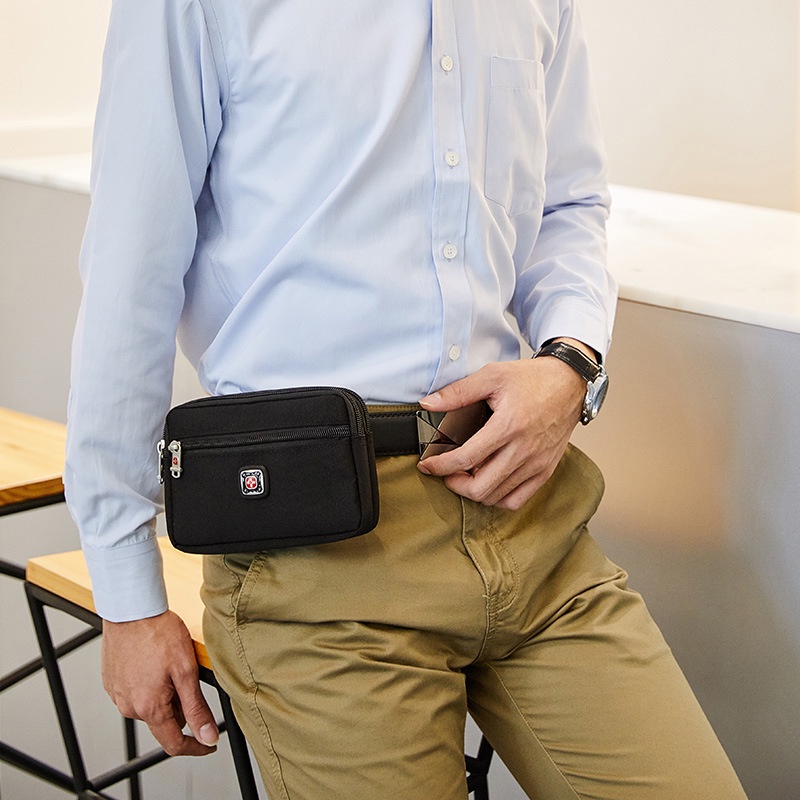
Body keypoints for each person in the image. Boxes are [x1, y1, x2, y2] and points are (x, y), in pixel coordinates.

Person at [65, 0, 748, 797]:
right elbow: (130, 270)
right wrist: (128, 598)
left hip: (528, 518)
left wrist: (570, 362)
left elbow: (567, 207)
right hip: (319, 557)